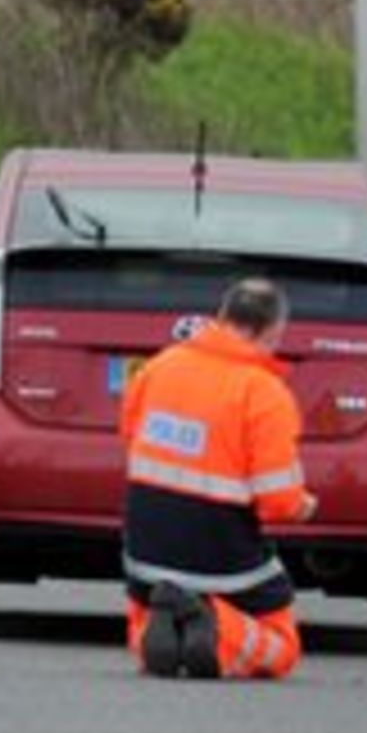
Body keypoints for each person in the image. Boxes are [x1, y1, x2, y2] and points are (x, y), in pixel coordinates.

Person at [120, 277, 317, 679]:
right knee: (282, 645)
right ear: (273, 331)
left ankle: (157, 634)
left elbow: (129, 437)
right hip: (222, 561)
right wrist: (305, 506)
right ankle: (213, 625)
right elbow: (278, 501)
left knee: (145, 622)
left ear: (221, 317)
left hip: (145, 556)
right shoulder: (263, 392)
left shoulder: (158, 369)